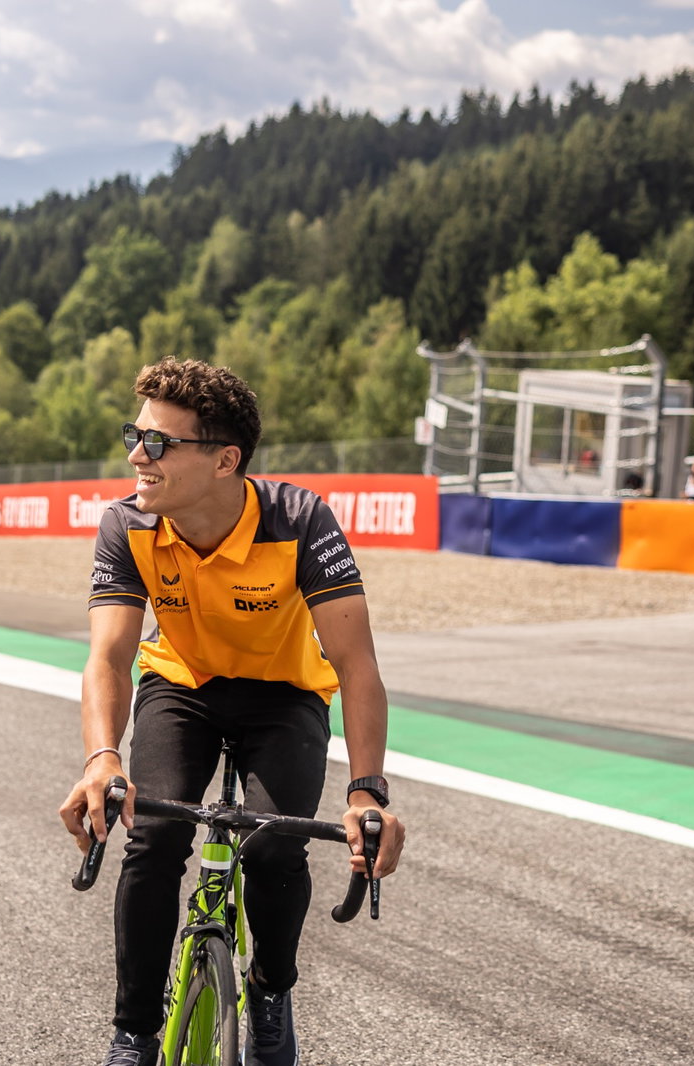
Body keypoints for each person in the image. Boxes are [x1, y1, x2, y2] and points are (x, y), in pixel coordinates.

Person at [58, 357, 406, 1066]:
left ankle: (270, 992)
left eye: (159, 442)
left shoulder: (300, 520)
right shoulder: (127, 523)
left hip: (284, 696)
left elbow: (356, 664)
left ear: (225, 460)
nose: (137, 456)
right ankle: (134, 1033)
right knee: (152, 837)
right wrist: (102, 759)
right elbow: (110, 657)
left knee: (275, 846)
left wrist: (367, 791)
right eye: (135, 435)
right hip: (181, 687)